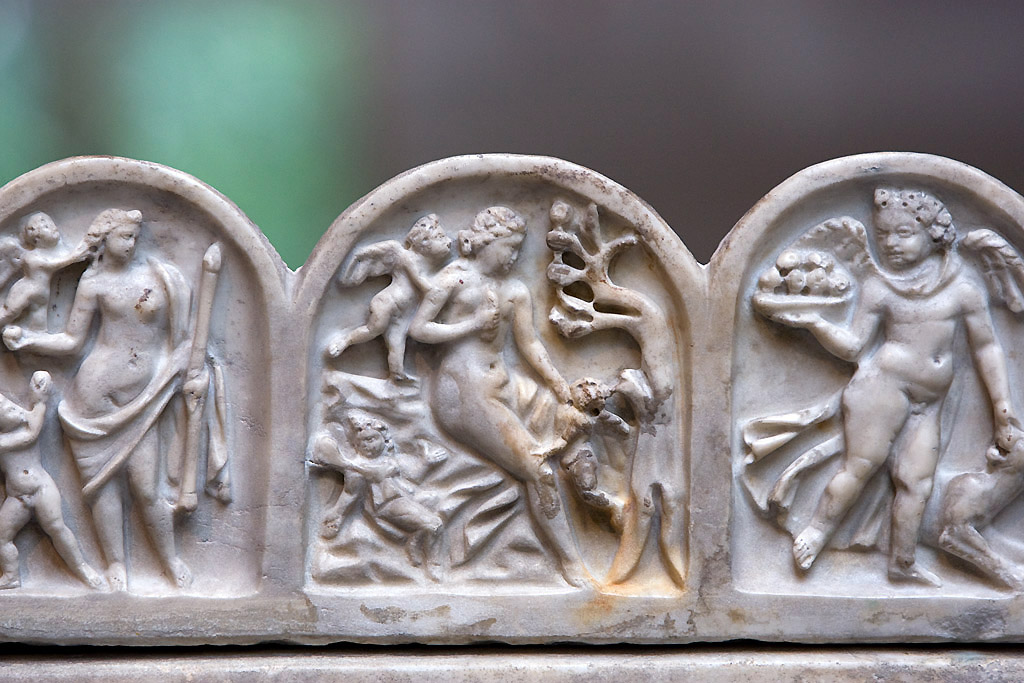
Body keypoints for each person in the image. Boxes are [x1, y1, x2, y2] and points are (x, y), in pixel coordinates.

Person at [765, 188, 1017, 586]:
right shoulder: (879, 287)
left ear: (934, 234)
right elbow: (854, 347)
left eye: (903, 233)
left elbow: (987, 348)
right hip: (882, 388)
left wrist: (1003, 411)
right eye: (883, 234)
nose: (890, 243)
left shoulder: (963, 288)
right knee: (861, 467)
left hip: (929, 401)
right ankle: (816, 531)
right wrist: (815, 323)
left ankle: (902, 564)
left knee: (916, 483)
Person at [3, 208, 194, 590]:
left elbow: (184, 339)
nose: (131, 243)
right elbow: (73, 341)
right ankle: (115, 563)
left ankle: (170, 560)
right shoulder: (92, 283)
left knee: (147, 488)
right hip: (91, 400)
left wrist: (186, 366)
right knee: (102, 488)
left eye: (134, 237)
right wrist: (29, 339)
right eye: (124, 236)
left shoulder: (161, 276)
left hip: (143, 398)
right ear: (104, 240)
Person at [409, 206, 590, 586]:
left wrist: (558, 384)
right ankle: (571, 563)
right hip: (464, 392)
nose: (513, 257)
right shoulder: (456, 279)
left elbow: (530, 344)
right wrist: (471, 325)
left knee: (577, 427)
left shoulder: (515, 290)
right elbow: (420, 329)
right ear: (486, 242)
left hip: (505, 387)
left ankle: (596, 508)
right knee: (538, 470)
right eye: (508, 247)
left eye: (519, 249)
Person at [0, 371, 104, 590]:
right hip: (17, 497)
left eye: (11, 406)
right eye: (7, 410)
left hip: (41, 489)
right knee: (1, 537)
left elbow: (32, 427)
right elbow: (30, 429)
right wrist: (38, 402)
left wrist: (39, 393)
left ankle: (82, 568)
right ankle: (11, 576)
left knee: (57, 529)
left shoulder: (25, 423)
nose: (14, 409)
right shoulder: (13, 433)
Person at [325, 214, 452, 382]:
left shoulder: (431, 265)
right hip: (387, 303)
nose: (448, 241)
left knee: (397, 343)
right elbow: (419, 280)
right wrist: (431, 290)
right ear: (424, 242)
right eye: (440, 237)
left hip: (403, 312)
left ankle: (397, 375)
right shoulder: (407, 257)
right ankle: (345, 340)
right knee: (373, 329)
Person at [0, 212, 93, 330]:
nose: (53, 228)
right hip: (25, 291)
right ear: (36, 238)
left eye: (51, 224)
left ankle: (33, 335)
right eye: (46, 227)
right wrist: (75, 256)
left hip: (42, 294)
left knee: (39, 323)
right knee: (10, 313)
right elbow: (53, 264)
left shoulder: (55, 253)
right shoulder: (33, 257)